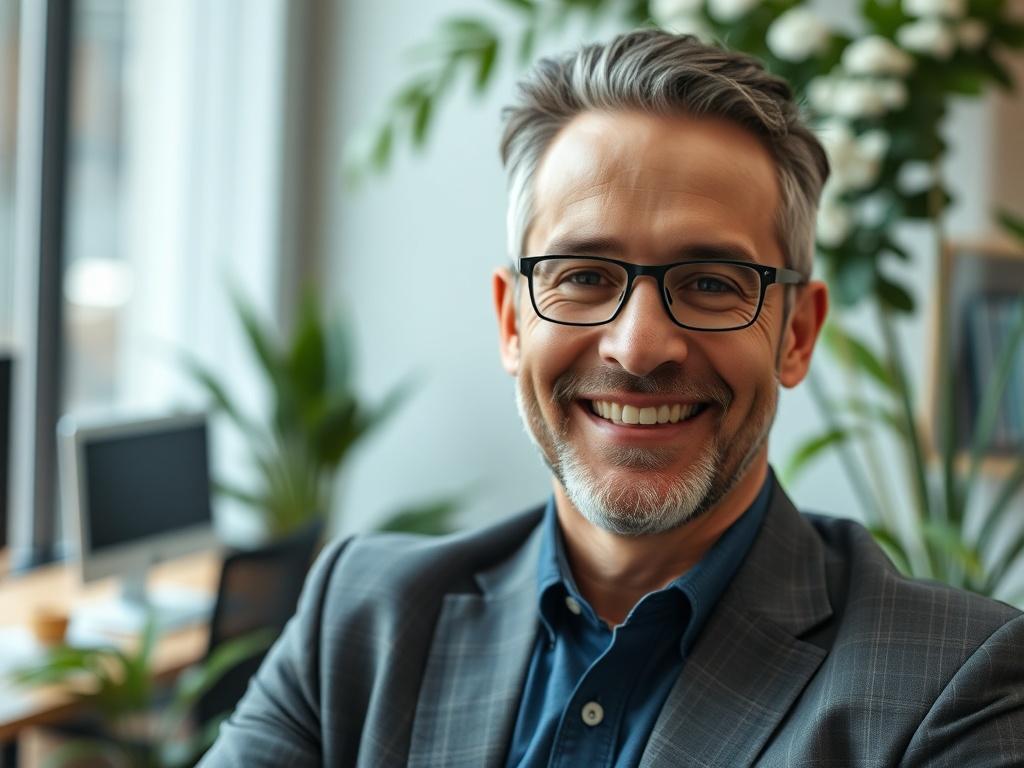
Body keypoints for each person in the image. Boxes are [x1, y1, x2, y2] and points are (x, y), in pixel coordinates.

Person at [200, 30, 1024, 767]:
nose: (638, 347)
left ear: (797, 334)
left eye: (710, 283)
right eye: (585, 277)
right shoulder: (360, 619)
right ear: (511, 322)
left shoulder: (952, 686)